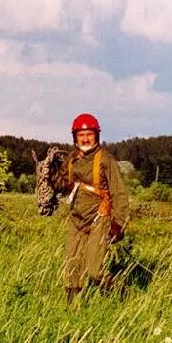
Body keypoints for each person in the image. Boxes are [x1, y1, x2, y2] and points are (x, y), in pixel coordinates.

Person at [52, 113, 130, 304]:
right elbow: (61, 182)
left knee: (94, 269)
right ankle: (72, 310)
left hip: (99, 219)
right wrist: (53, 177)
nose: (85, 139)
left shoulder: (105, 160)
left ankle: (120, 295)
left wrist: (118, 224)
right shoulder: (71, 159)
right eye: (81, 135)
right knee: (71, 267)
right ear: (75, 138)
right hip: (76, 219)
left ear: (96, 136)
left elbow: (119, 193)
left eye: (89, 134)